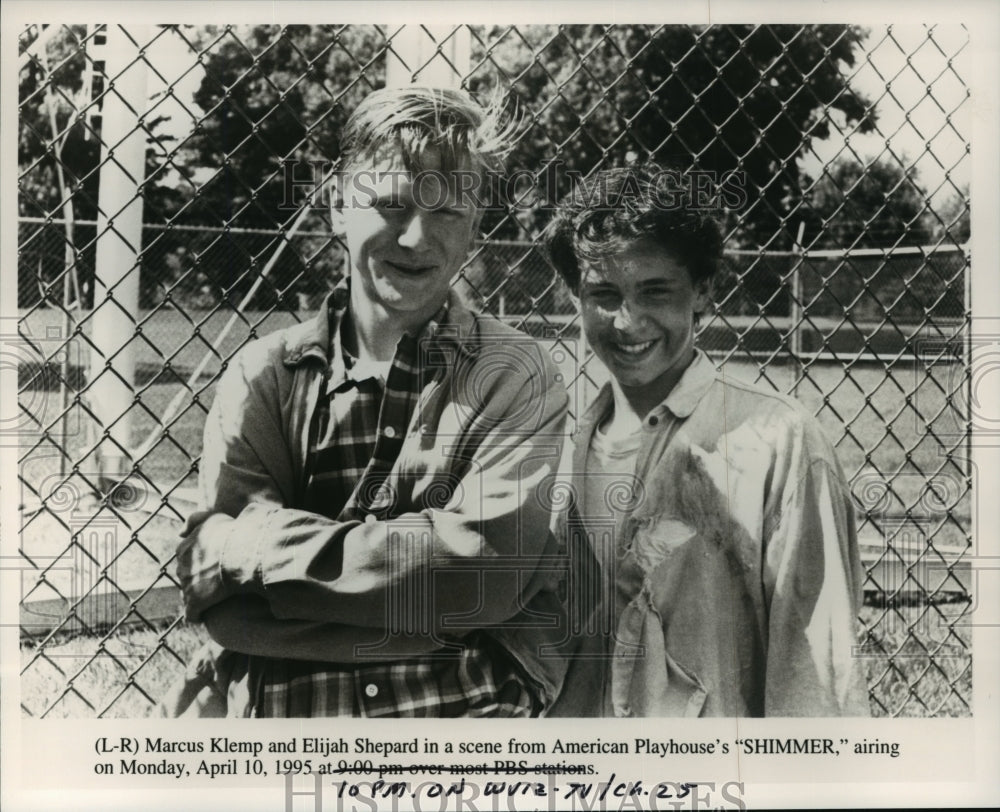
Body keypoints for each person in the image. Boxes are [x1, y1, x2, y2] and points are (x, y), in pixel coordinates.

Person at [166, 86, 574, 718]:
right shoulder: (266, 375)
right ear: (337, 204)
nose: (416, 238)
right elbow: (223, 606)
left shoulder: (515, 372)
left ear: (475, 228)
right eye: (391, 204)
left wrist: (256, 557)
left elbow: (481, 579)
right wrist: (426, 597)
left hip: (461, 715)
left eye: (448, 213)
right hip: (292, 715)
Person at [543, 164, 871, 717]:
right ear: (576, 295)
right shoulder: (554, 447)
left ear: (702, 292)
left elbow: (816, 680)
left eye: (655, 291)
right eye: (604, 293)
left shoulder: (778, 443)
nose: (628, 321)